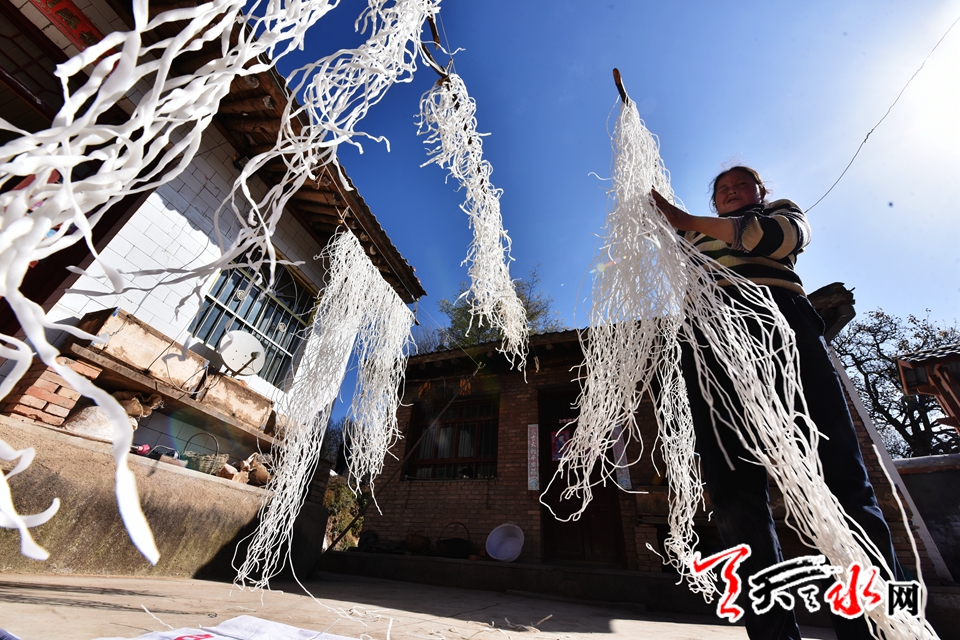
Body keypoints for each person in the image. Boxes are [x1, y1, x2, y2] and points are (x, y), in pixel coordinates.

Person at [651, 167, 902, 640]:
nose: (730, 190)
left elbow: (774, 238)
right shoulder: (691, 238)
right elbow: (663, 238)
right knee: (732, 490)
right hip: (708, 341)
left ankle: (872, 629)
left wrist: (684, 219)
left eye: (741, 184)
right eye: (722, 188)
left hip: (779, 324)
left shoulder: (781, 213)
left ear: (760, 192)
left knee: (838, 476)